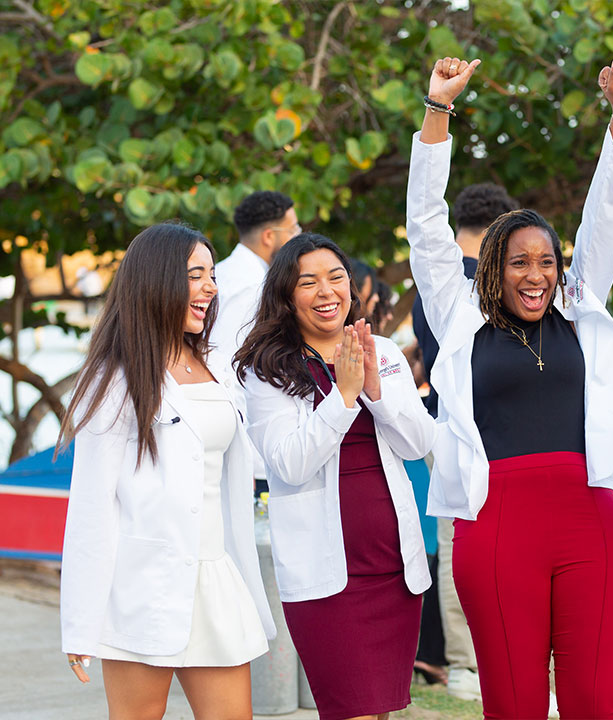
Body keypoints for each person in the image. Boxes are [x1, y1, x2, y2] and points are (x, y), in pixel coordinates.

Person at [407, 56, 613, 719]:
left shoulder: (577, 307)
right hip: (496, 526)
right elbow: (425, 224)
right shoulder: (460, 315)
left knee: (596, 702)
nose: (534, 276)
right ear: (492, 270)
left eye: (546, 262)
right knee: (512, 704)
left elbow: (608, 216)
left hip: (591, 523)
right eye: (518, 263)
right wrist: (438, 109)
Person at [58, 223, 276, 719]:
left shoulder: (219, 365)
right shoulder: (114, 380)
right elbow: (93, 507)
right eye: (196, 275)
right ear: (157, 282)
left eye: (212, 275)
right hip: (142, 588)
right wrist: (80, 622)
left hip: (215, 578)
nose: (210, 288)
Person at [233, 234, 435, 720]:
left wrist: (375, 390)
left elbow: (418, 444)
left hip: (393, 567)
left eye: (336, 277)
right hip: (328, 576)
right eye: (309, 282)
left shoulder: (381, 350)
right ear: (286, 294)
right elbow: (289, 463)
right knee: (352, 710)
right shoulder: (268, 369)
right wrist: (343, 398)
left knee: (380, 710)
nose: (326, 292)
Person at [410, 180, 519, 700]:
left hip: (443, 427)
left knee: (458, 542)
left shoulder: (430, 284)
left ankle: (465, 662)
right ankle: (480, 660)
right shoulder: (493, 284)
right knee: (501, 544)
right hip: (493, 429)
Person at [211, 190, 300, 496]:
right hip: (249, 458)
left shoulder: (222, 274)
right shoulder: (252, 287)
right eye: (293, 229)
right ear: (268, 236)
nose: (299, 238)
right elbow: (228, 370)